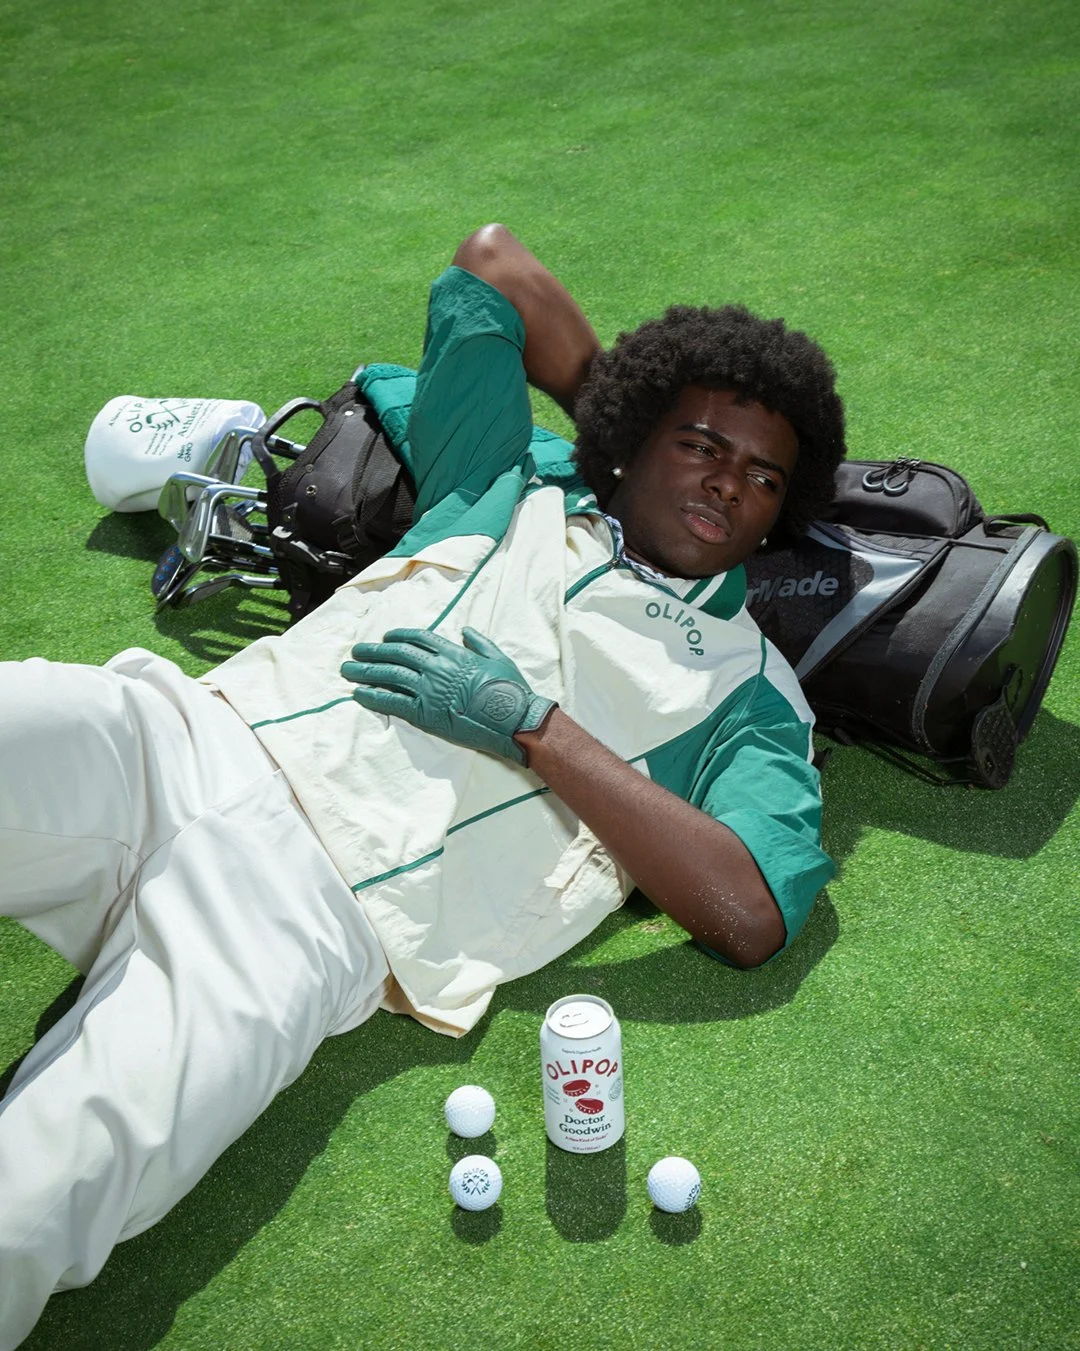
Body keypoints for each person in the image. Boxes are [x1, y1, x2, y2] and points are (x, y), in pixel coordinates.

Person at [0, 223, 846, 1347]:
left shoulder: (751, 695)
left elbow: (749, 909)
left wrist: (531, 726)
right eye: (700, 447)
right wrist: (621, 418)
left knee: (44, 1190)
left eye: (760, 476)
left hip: (309, 918)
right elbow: (492, 269)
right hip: (180, 740)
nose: (727, 483)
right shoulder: (508, 479)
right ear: (634, 439)